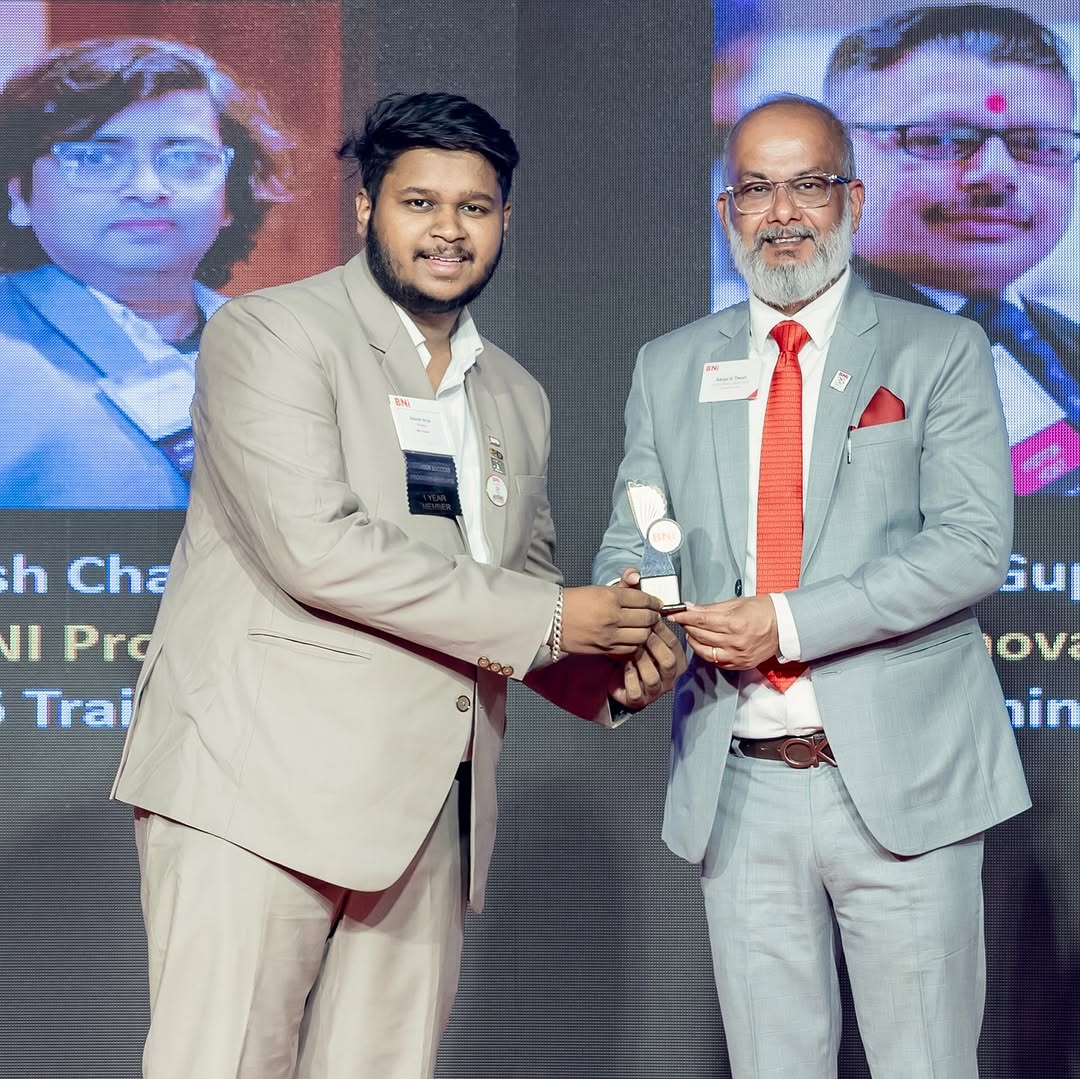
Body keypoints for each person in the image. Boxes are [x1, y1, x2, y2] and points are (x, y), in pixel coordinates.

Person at [111, 91, 683, 1078]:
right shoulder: (270, 334)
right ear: (367, 205)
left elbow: (516, 586)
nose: (448, 230)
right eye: (421, 202)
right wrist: (557, 616)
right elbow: (316, 548)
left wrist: (607, 661)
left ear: (506, 219)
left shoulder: (515, 393)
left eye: (475, 206)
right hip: (258, 785)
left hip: (431, 809)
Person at [595, 94, 1030, 1077]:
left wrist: (784, 622)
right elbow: (637, 536)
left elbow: (971, 545)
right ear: (727, 210)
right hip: (738, 780)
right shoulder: (669, 366)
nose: (783, 212)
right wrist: (636, 618)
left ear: (854, 200)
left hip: (906, 781)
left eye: (809, 185)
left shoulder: (938, 349)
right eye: (756, 189)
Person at [0, 36, 291, 508]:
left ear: (229, 201)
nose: (147, 187)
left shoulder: (294, 347)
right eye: (94, 158)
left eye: (185, 158)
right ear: (19, 196)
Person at [823, 4, 1080, 495]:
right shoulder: (792, 361)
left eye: (1036, 143)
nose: (996, 175)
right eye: (942, 139)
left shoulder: (1066, 346)